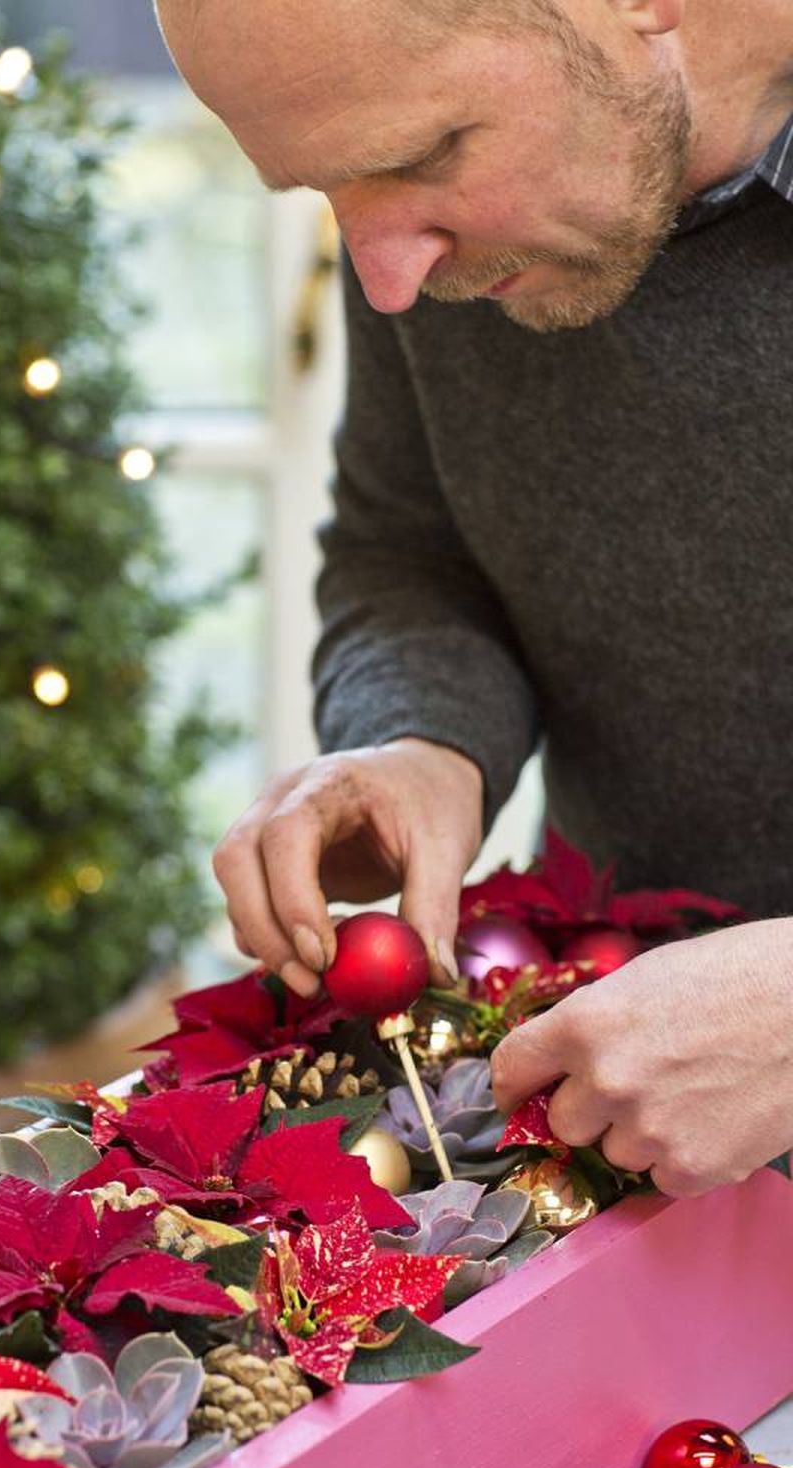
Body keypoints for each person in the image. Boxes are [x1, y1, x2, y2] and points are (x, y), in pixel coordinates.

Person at [152, 0, 793, 1198]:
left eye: (419, 156)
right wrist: (424, 739)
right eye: (328, 195)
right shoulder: (427, 241)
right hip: (629, 1144)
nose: (387, 279)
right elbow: (410, 548)